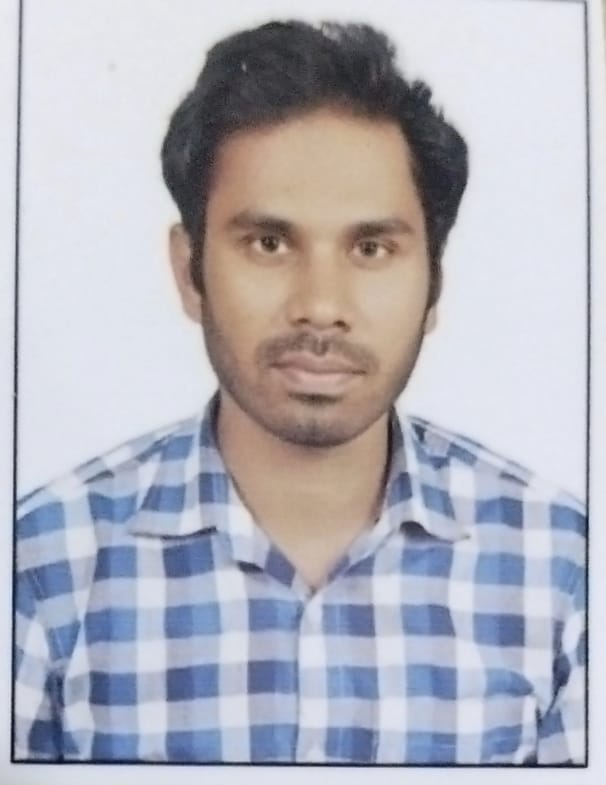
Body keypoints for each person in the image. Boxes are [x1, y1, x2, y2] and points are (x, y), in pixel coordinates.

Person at [14, 19, 586, 765]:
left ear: (435, 283)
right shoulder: (39, 567)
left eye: (371, 248)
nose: (320, 306)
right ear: (189, 272)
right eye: (270, 243)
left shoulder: (567, 573)